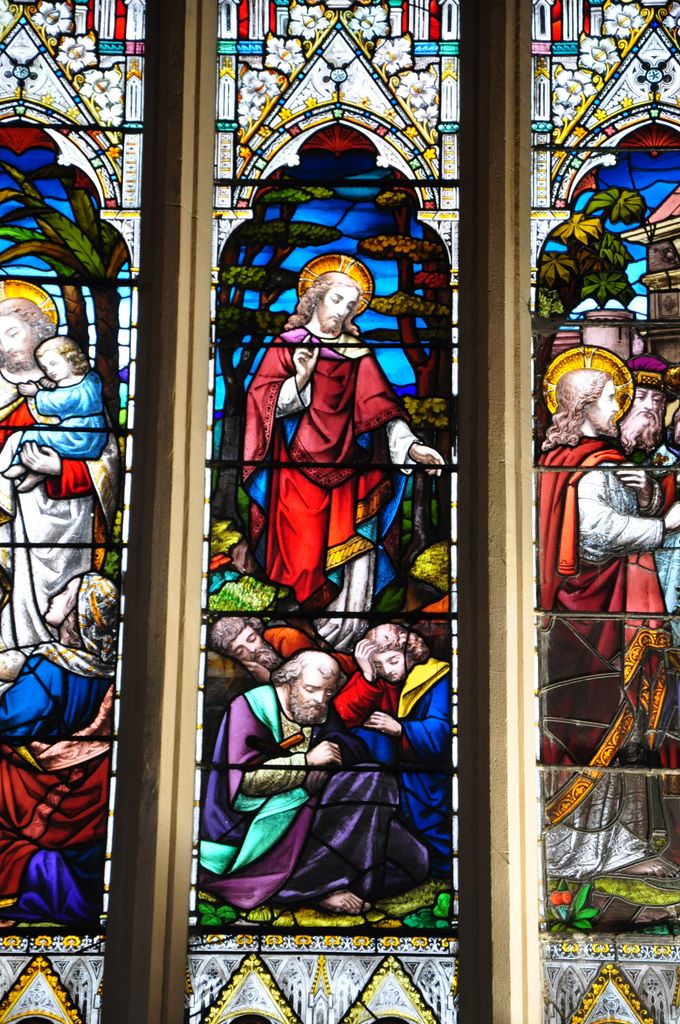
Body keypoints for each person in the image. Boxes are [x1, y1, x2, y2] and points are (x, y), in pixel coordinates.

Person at [243, 254, 444, 650]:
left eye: (351, 305)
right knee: (300, 554)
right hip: (295, 472)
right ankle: (300, 624)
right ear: (314, 298)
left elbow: (383, 409)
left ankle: (347, 626)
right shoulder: (288, 345)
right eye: (337, 299)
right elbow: (261, 402)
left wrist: (412, 446)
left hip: (352, 468)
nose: (344, 310)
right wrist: (299, 379)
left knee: (357, 539)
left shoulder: (359, 352)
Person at [538, 348, 680, 879]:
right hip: (593, 618)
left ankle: (607, 839)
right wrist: (664, 525)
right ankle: (580, 846)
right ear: (586, 403)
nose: (621, 407)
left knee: (605, 722)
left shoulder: (561, 461)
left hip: (578, 613)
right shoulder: (591, 467)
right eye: (615, 397)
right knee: (594, 722)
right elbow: (594, 539)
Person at [200, 649, 429, 914]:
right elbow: (245, 784)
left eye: (329, 693)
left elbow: (349, 747)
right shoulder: (250, 707)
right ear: (286, 682)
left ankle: (324, 879)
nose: (321, 699)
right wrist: (306, 763)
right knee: (371, 780)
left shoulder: (315, 709)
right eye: (311, 689)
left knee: (415, 863)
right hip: (250, 826)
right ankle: (315, 889)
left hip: (311, 810)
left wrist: (334, 756)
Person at [0, 292, 119, 649]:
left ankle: (55, 649)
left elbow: (105, 458)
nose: (4, 345)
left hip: (67, 522)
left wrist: (60, 468)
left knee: (57, 597)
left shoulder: (76, 388)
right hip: (12, 523)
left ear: (40, 333)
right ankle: (11, 646)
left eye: (11, 332)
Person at [0, 572, 117, 927]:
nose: (56, 593)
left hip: (36, 781)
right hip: (86, 785)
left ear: (79, 612)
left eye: (67, 591)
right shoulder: (108, 672)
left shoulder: (50, 667)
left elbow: (10, 720)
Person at [334, 623, 451, 876]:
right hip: (391, 775)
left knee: (431, 831)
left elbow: (443, 733)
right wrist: (367, 676)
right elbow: (341, 718)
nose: (387, 671)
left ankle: (440, 872)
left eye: (392, 660)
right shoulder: (378, 679)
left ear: (410, 653)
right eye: (379, 665)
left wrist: (400, 729)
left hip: (426, 774)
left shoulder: (437, 680)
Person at [2, 336, 107, 493]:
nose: (50, 371)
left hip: (78, 435)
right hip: (81, 435)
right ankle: (33, 472)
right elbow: (65, 390)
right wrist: (51, 385)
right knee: (35, 435)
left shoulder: (82, 389)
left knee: (33, 434)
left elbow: (64, 399)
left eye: (53, 364)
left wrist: (38, 393)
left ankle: (20, 466)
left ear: (71, 359)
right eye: (45, 368)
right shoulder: (89, 380)